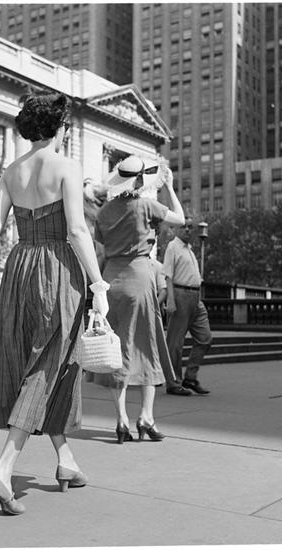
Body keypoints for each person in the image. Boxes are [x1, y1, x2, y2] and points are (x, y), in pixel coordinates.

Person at [0, 92, 108, 516]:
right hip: (58, 269)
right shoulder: (66, 167)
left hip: (19, 267)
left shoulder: (11, 172)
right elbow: (77, 230)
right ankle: (3, 469)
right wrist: (98, 283)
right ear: (58, 127)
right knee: (49, 363)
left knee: (44, 362)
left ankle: (66, 459)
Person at [85, 155, 185, 444]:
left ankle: (121, 420)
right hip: (140, 279)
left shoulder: (104, 212)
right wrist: (170, 187)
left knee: (114, 350)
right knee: (147, 346)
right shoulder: (146, 205)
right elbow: (179, 219)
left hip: (111, 281)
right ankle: (146, 417)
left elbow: (101, 249)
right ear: (140, 180)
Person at [163, 216, 212, 395]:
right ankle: (173, 383)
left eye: (190, 227)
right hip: (180, 294)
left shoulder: (189, 249)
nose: (187, 230)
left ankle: (190, 377)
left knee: (205, 338)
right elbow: (168, 275)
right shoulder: (173, 247)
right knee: (175, 343)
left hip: (195, 297)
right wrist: (170, 299)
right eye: (183, 227)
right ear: (176, 229)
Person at [149, 257, 192, 397]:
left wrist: (152, 306)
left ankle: (157, 375)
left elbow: (163, 291)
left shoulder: (157, 266)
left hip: (152, 310)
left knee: (154, 344)